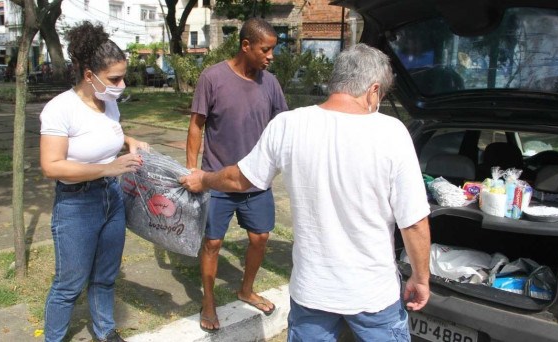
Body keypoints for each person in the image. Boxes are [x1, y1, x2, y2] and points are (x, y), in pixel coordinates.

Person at [181, 43, 431, 341]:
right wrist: (420, 278)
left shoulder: (289, 124)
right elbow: (413, 222)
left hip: (312, 291)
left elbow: (239, 179)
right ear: (373, 90)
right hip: (373, 295)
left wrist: (204, 178)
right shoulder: (392, 133)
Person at [39, 21, 148, 342]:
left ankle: (105, 331)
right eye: (115, 78)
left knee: (105, 277)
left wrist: (130, 140)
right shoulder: (60, 109)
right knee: (69, 285)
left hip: (111, 200)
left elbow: (102, 134)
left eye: (123, 76)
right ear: (90, 75)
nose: (121, 84)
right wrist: (108, 168)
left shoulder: (108, 102)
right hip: (77, 204)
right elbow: (52, 166)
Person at [186, 17, 288, 332]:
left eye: (273, 49)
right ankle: (208, 300)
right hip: (217, 178)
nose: (271, 56)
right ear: (246, 46)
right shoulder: (212, 77)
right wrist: (192, 171)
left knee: (260, 237)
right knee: (213, 243)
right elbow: (196, 125)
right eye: (265, 49)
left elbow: (283, 126)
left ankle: (246, 288)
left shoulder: (270, 83)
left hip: (256, 180)